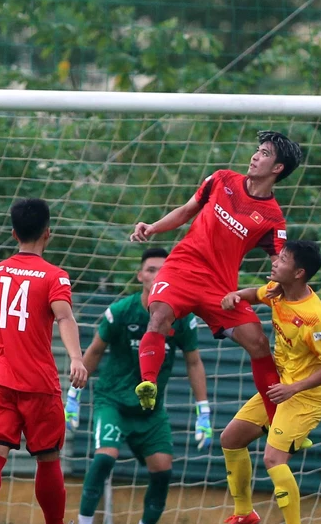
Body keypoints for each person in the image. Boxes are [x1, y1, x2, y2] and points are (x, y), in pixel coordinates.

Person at [130, 131, 303, 421]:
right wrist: (153, 227)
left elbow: (280, 263)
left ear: (277, 169)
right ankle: (148, 383)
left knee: (258, 342)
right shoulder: (221, 179)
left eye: (264, 153)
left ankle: (278, 421)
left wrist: (285, 292)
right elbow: (186, 211)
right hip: (181, 269)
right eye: (257, 150)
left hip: (220, 289)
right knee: (159, 316)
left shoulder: (273, 218)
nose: (255, 156)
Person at [66, 247, 211, 524]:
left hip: (150, 409)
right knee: (105, 457)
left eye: (163, 269)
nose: (156, 275)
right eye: (151, 269)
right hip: (113, 401)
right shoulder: (121, 312)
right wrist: (73, 395)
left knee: (163, 469)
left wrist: (203, 411)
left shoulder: (182, 318)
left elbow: (194, 362)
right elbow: (94, 351)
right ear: (140, 275)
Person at [0, 198, 89, 524]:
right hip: (39, 380)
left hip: (0, 378)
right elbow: (64, 316)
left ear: (13, 233)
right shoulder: (55, 276)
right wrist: (76, 358)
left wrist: (6, 353)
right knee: (48, 457)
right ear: (47, 233)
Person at [216, 240, 321, 524]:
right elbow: (254, 294)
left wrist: (293, 388)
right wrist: (235, 296)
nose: (274, 261)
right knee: (230, 438)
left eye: (282, 259)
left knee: (273, 459)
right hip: (279, 388)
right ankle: (244, 514)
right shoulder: (277, 290)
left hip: (305, 396)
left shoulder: (315, 317)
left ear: (299, 272)